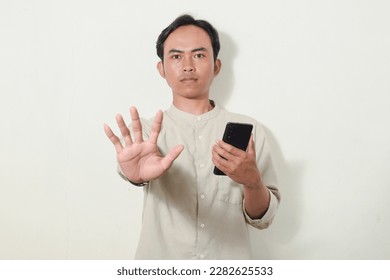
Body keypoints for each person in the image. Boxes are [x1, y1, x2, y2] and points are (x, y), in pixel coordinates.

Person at [104, 14, 281, 259]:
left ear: (216, 66)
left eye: (199, 55)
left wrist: (252, 182)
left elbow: (262, 218)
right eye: (176, 56)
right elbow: (131, 167)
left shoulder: (248, 131)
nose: (188, 65)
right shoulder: (146, 134)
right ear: (161, 69)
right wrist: (134, 175)